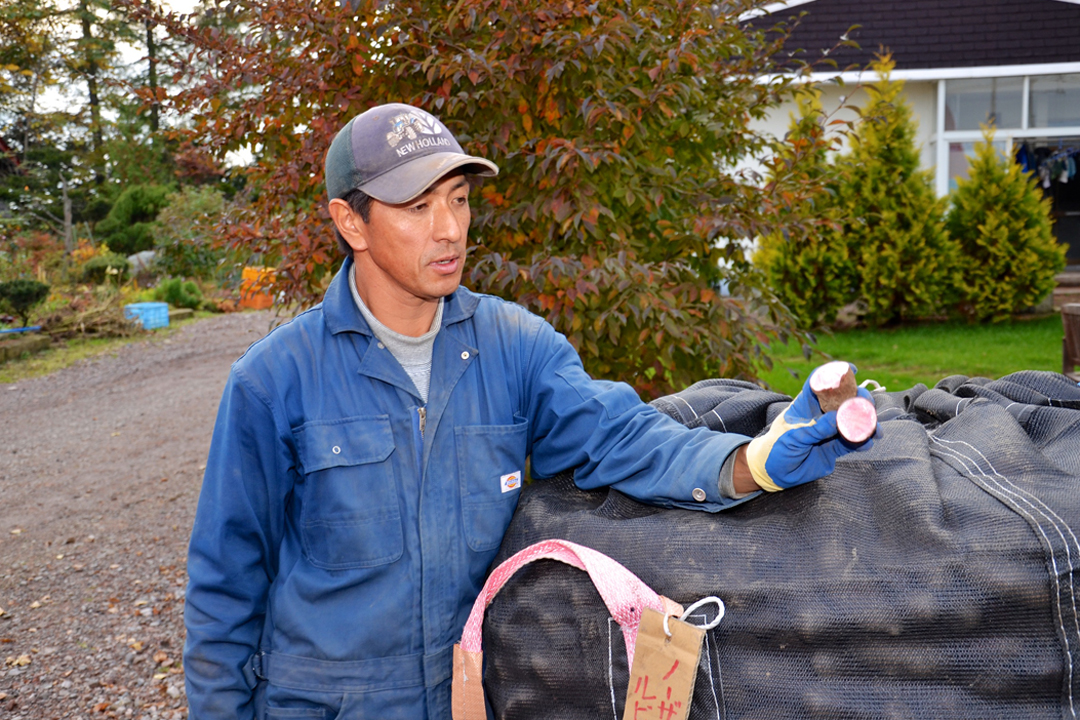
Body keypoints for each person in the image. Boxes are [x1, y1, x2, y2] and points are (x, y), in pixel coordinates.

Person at [183, 102, 878, 719]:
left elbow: (624, 437)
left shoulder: (514, 348)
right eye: (417, 208)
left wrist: (752, 461)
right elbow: (224, 588)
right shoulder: (275, 381)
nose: (449, 229)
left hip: (472, 693)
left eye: (457, 200)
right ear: (350, 222)